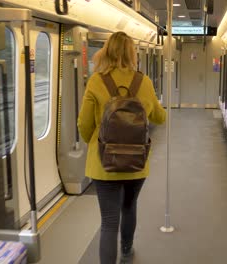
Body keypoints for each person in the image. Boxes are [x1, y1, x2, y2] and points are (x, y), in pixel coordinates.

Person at [78, 32, 166, 264]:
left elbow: (83, 124)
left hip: (103, 163)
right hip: (136, 162)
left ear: (106, 51)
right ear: (132, 53)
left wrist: (96, 144)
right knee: (129, 206)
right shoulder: (143, 82)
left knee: (108, 221)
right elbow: (159, 117)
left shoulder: (96, 81)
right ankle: (127, 249)